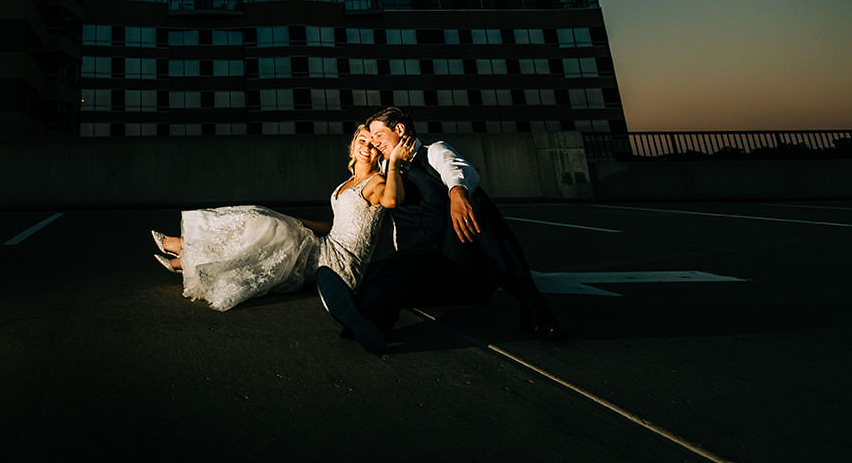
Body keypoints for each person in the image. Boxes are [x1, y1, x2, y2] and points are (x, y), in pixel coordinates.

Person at [150, 130, 402, 347]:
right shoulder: (348, 182)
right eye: (362, 141)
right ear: (353, 144)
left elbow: (389, 199)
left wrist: (393, 164)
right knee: (267, 218)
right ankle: (189, 251)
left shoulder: (376, 182)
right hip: (326, 243)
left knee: (269, 226)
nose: (366, 148)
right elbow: (335, 227)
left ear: (379, 152)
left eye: (372, 144)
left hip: (339, 262)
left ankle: (186, 251)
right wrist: (293, 221)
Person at [343, 106, 564, 344]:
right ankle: (369, 325)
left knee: (476, 201)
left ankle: (534, 307)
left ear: (399, 129)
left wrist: (458, 193)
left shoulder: (433, 151)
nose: (374, 143)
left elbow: (456, 169)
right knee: (383, 271)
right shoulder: (387, 169)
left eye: (378, 135)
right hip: (420, 266)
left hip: (455, 260)